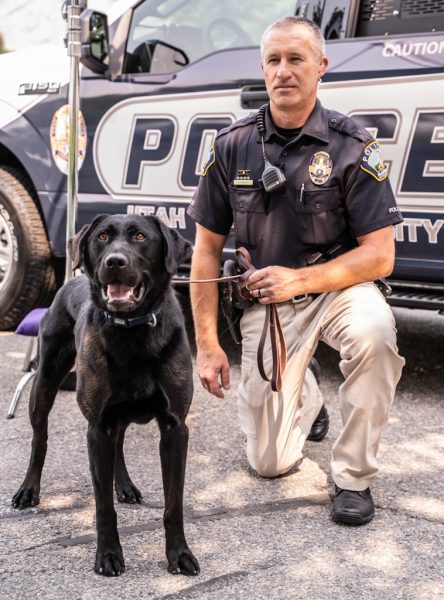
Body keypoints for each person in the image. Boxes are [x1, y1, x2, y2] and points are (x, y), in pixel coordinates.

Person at [187, 16, 405, 525]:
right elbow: (204, 252)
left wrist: (302, 279)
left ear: (321, 66)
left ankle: (353, 478)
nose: (284, 71)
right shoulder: (230, 146)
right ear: (263, 69)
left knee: (375, 335)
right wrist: (207, 343)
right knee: (269, 463)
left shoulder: (353, 146)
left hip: (338, 285)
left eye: (296, 59)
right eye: (273, 60)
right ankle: (305, 394)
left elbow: (379, 256)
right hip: (270, 300)